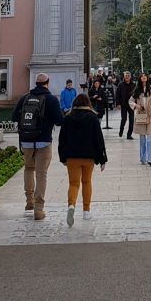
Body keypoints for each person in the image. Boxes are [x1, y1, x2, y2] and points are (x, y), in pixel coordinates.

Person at [11, 73, 64, 220]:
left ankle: (29, 201)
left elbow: (14, 117)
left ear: (35, 83)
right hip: (44, 142)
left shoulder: (25, 97)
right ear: (47, 83)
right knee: (41, 174)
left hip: (26, 141)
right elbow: (60, 121)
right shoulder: (52, 99)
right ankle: (39, 210)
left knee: (28, 169)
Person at [58, 93, 108, 227]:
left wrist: (62, 157)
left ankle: (71, 205)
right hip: (88, 155)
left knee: (73, 183)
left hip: (71, 156)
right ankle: (86, 211)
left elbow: (62, 139)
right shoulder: (92, 117)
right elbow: (98, 138)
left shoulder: (68, 117)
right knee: (86, 182)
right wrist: (102, 158)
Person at [129, 72, 151, 165]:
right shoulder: (137, 89)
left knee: (150, 137)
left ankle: (150, 159)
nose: (144, 77)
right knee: (142, 138)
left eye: (145, 76)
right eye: (142, 76)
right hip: (140, 115)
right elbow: (131, 101)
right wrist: (135, 106)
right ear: (140, 79)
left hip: (149, 115)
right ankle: (142, 158)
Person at [115, 70, 135, 138]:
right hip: (123, 104)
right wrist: (118, 104)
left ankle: (129, 134)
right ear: (124, 76)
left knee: (131, 120)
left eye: (128, 76)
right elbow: (117, 95)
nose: (127, 77)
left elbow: (136, 95)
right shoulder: (120, 85)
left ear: (130, 77)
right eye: (126, 75)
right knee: (124, 119)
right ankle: (121, 131)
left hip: (131, 105)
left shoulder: (133, 85)